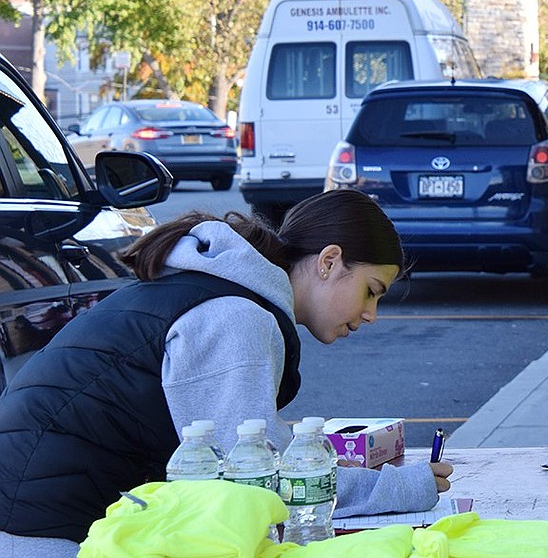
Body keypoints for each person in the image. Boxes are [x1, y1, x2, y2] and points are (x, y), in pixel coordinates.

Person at [0, 189, 452, 556]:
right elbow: (255, 476)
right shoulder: (235, 317)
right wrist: (401, 486)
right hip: (40, 529)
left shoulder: (216, 290)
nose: (371, 314)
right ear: (329, 261)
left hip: (48, 510)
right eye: (371, 291)